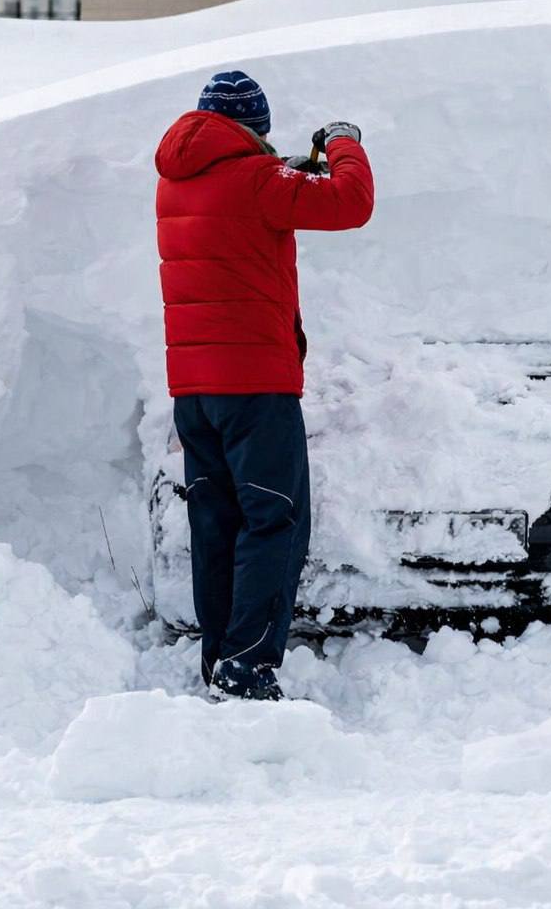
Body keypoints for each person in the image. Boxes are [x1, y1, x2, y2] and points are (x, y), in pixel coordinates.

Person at [155, 70, 374, 700]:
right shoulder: (257, 180)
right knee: (275, 520)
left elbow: (256, 191)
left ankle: (220, 658)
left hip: (194, 391)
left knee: (217, 523)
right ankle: (248, 666)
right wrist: (342, 144)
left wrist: (282, 169)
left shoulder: (177, 180)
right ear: (254, 128)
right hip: (254, 386)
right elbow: (349, 202)